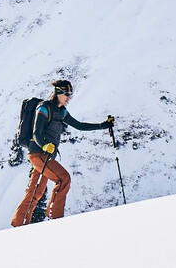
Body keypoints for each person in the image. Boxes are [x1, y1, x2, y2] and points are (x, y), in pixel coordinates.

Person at [10, 79, 114, 227]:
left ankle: (18, 225)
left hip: (45, 155)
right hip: (39, 154)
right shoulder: (44, 108)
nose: (69, 97)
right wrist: (45, 145)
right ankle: (56, 219)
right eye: (66, 94)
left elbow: (79, 125)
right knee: (63, 179)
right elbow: (36, 132)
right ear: (58, 92)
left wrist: (104, 125)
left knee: (35, 191)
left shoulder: (61, 111)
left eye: (70, 94)